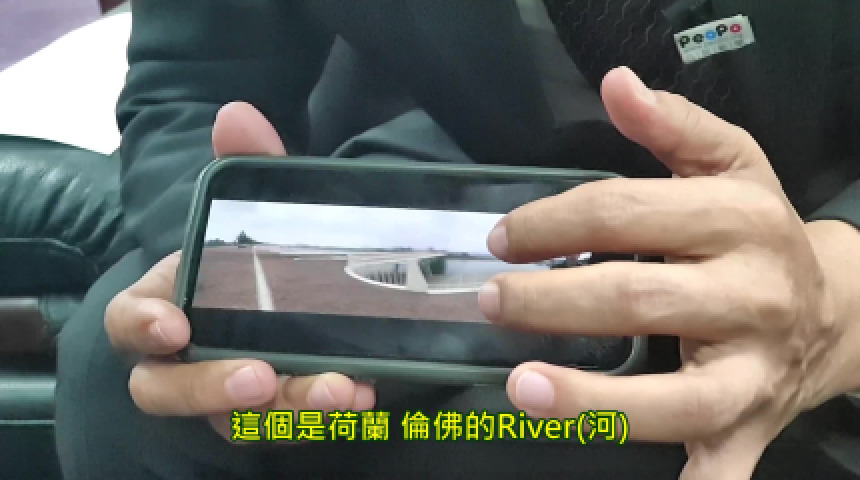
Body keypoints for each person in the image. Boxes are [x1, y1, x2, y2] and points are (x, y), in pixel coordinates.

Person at [55, 1, 860, 479]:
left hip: (824, 201)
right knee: (122, 372)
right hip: (472, 186)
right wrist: (241, 283)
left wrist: (840, 288)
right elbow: (194, 82)